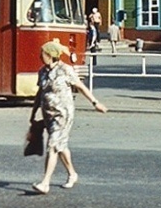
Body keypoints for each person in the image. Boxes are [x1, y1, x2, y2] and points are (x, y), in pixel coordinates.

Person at [30, 40, 107, 194]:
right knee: (61, 146)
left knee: (52, 145)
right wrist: (33, 113)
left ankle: (45, 183)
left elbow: (80, 86)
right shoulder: (42, 71)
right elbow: (40, 93)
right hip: (48, 115)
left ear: (51, 55)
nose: (40, 56)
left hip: (63, 114)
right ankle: (72, 174)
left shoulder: (65, 70)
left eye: (43, 54)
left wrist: (95, 103)